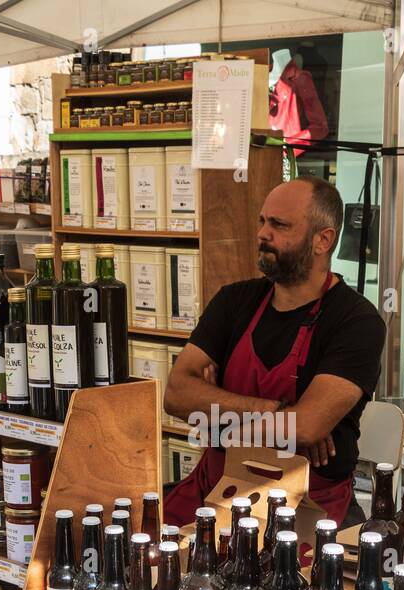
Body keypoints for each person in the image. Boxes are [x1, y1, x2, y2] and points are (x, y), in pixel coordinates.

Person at [163, 176, 385, 529]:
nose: (263, 234)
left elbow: (308, 428)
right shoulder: (234, 301)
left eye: (279, 225)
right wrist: (278, 412)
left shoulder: (357, 321)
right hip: (216, 489)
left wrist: (213, 417)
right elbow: (176, 394)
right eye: (262, 221)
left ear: (322, 240)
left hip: (306, 505)